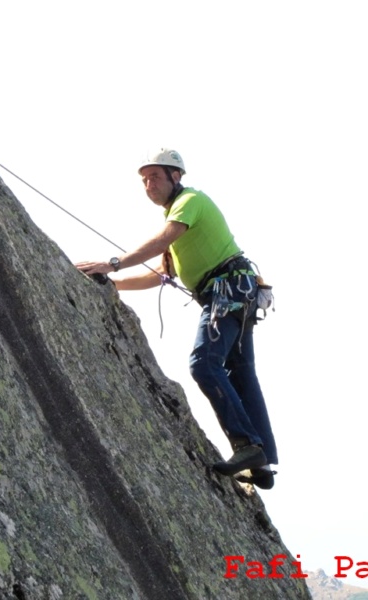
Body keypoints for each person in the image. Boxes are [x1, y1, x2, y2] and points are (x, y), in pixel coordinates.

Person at [75, 148, 278, 489]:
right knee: (241, 373)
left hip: (227, 291)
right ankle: (261, 462)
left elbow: (164, 240)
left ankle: (247, 446)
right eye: (144, 180)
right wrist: (112, 284)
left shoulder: (189, 202)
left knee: (204, 363)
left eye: (155, 176)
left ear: (176, 176)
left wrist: (112, 263)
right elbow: (160, 274)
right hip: (236, 292)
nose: (148, 184)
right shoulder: (179, 217)